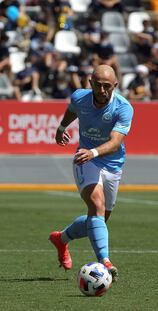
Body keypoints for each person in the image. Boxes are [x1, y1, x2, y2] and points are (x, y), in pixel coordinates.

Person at [49, 65, 134, 282]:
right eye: (98, 85)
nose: (102, 90)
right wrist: (61, 128)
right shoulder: (80, 97)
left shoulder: (123, 108)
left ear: (115, 85)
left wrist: (94, 151)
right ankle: (105, 263)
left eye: (107, 86)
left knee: (99, 220)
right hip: (84, 159)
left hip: (112, 164)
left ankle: (62, 238)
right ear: (90, 83)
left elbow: (115, 143)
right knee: (96, 205)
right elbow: (72, 110)